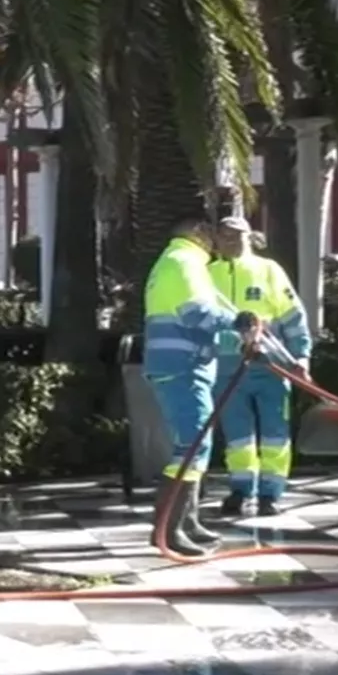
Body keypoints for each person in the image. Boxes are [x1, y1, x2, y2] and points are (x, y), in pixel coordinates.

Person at [142, 216, 255, 556]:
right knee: (191, 444)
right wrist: (237, 321)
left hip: (187, 365)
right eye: (209, 232)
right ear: (196, 233)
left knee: (199, 443)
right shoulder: (182, 261)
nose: (215, 239)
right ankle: (169, 529)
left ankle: (187, 522)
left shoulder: (183, 262)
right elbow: (196, 313)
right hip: (182, 366)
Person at [208, 216, 312, 517]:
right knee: (237, 434)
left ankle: (271, 494)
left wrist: (301, 356)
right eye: (225, 235)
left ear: (249, 237)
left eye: (237, 235)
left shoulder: (268, 270)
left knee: (274, 432)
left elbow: (293, 316)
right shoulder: (207, 274)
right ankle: (241, 490)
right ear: (217, 238)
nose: (231, 240)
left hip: (270, 365)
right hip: (227, 367)